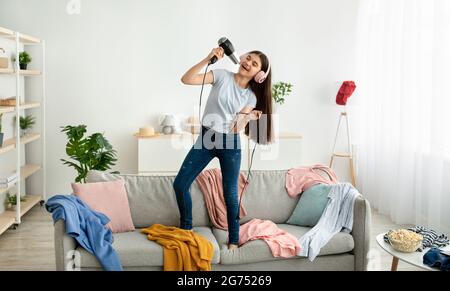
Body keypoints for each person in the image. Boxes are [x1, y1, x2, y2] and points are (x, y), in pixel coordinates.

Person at [173, 47, 273, 250]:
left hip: (230, 142)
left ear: (259, 75)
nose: (248, 63)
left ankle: (234, 240)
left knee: (230, 194)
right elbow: (186, 79)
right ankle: (186, 229)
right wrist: (208, 59)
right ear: (242, 57)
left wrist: (247, 117)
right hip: (207, 137)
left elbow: (236, 127)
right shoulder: (220, 75)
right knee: (180, 184)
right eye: (249, 58)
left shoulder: (250, 97)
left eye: (255, 64)